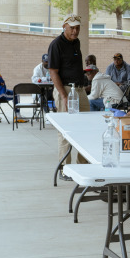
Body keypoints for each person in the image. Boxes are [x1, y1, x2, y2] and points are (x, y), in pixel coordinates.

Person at [47, 13, 90, 179]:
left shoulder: (76, 42)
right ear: (64, 26)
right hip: (65, 89)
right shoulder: (56, 44)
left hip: (79, 89)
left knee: (86, 127)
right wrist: (64, 96)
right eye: (72, 27)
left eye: (77, 27)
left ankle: (84, 166)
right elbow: (53, 72)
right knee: (66, 130)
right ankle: (64, 168)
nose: (75, 30)